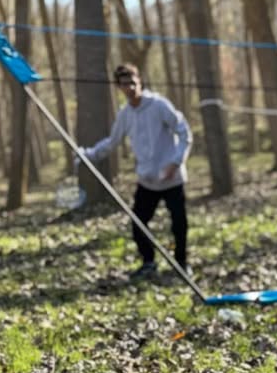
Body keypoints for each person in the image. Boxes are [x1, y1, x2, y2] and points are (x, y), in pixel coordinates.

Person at [78, 64, 193, 276]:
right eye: (124, 84)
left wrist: (175, 162)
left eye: (133, 82)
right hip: (147, 180)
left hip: (171, 178)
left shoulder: (159, 105)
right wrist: (89, 155)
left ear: (140, 82)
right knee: (138, 224)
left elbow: (185, 132)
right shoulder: (125, 115)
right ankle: (149, 263)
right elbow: (112, 142)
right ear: (119, 88)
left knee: (179, 224)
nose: (130, 88)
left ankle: (182, 263)